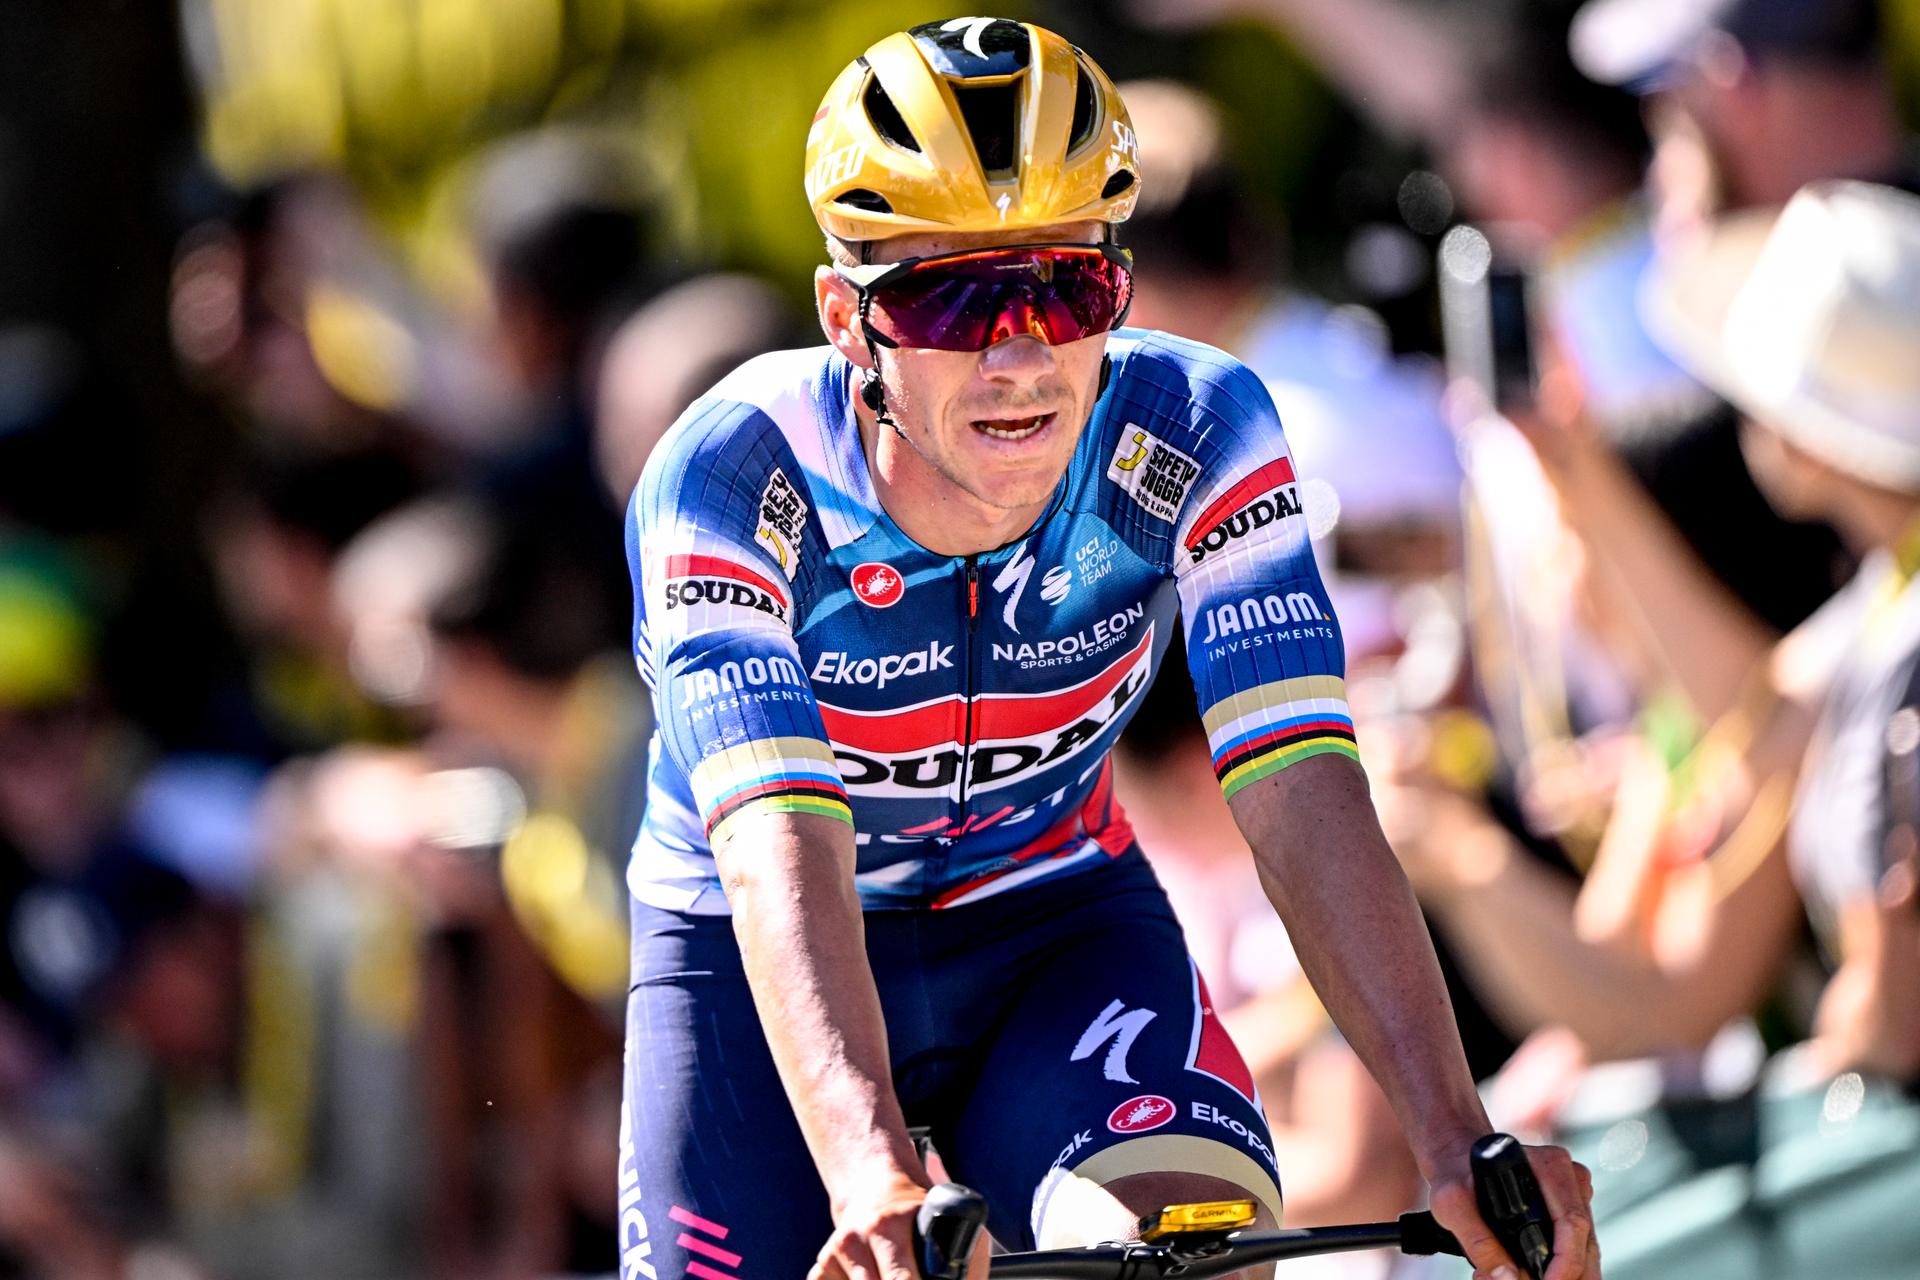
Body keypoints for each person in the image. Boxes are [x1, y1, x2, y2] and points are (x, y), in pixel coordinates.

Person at [620, 20, 1597, 1280]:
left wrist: (1456, 1137)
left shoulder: (1194, 424)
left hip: (1053, 923)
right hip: (756, 956)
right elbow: (776, 842)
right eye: (955, 298)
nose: (1021, 357)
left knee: (1183, 1250)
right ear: (848, 319)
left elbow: (1302, 789)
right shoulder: (733, 475)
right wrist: (871, 1172)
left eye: (1067, 291)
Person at [1388, 181, 1920, 1279]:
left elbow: (1671, 999)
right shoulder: (1872, 613)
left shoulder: (1886, 636)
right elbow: (1756, 704)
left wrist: (1451, 854)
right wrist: (1568, 456)